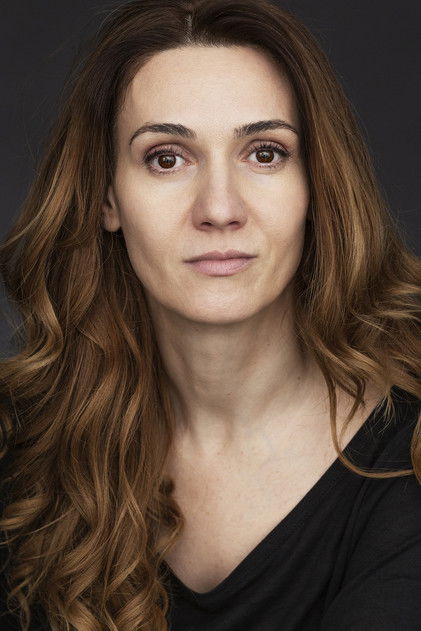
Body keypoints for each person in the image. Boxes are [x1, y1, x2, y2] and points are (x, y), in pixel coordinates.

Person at [0, 0, 420, 629]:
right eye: (167, 158)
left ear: (317, 186)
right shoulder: (21, 444)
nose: (219, 209)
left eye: (265, 153)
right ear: (107, 197)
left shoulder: (412, 450)